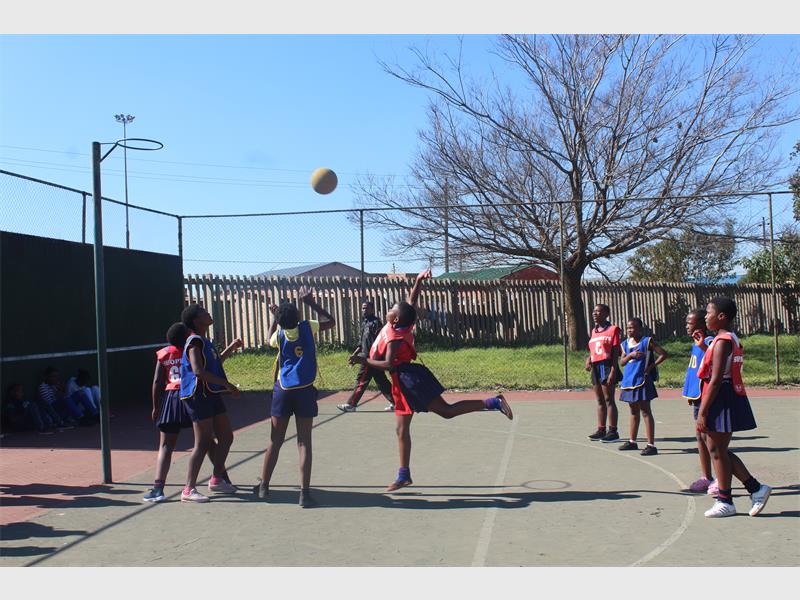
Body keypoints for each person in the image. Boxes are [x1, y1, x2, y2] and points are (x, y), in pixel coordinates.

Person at [351, 268, 512, 492]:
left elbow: (388, 364)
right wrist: (417, 280)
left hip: (409, 380)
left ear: (395, 317)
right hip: (401, 382)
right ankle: (404, 475)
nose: (388, 310)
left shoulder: (395, 336)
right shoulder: (398, 323)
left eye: (391, 309)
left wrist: (364, 361)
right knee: (401, 429)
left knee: (446, 411)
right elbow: (411, 301)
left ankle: (493, 402)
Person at [255, 286, 336, 508]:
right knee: (304, 442)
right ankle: (304, 493)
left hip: (283, 390)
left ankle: (264, 486)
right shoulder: (308, 327)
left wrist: (275, 319)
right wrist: (310, 301)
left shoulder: (279, 335)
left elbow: (268, 338)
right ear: (299, 316)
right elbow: (331, 320)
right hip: (304, 389)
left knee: (275, 440)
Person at [696, 297, 771, 518]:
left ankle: (728, 500)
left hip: (721, 396)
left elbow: (717, 378)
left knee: (718, 450)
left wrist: (702, 410)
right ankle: (752, 489)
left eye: (708, 313)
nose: (705, 317)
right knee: (718, 450)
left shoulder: (722, 342)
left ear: (721, 317)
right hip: (725, 395)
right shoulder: (724, 339)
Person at [179, 304, 243, 503]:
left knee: (226, 436)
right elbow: (198, 371)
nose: (208, 313)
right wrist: (227, 384)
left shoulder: (205, 341)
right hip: (198, 395)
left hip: (211, 393)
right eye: (204, 312)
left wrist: (230, 349)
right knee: (203, 442)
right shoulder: (194, 341)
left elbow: (214, 365)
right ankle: (188, 489)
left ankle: (216, 478)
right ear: (197, 320)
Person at [142, 322, 194, 503]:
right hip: (189, 395)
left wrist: (156, 407)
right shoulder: (192, 350)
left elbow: (157, 381)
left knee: (165, 445)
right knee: (205, 440)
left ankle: (158, 489)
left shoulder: (164, 354)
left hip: (170, 398)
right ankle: (220, 476)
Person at [618, 318, 668, 456]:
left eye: (632, 328)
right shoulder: (625, 344)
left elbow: (664, 354)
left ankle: (651, 445)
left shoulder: (647, 342)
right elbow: (622, 362)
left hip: (642, 381)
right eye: (628, 328)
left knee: (645, 411)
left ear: (640, 329)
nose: (630, 330)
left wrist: (651, 367)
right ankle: (632, 441)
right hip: (629, 381)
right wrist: (630, 356)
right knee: (633, 411)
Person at [337, 300, 395, 413]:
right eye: (363, 308)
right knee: (382, 382)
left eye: (366, 308)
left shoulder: (376, 323)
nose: (364, 310)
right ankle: (397, 402)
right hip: (365, 356)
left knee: (361, 380)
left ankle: (351, 404)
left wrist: (375, 357)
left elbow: (381, 341)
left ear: (372, 309)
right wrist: (354, 355)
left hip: (371, 358)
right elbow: (361, 343)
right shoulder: (364, 323)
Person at [682, 309, 717, 494]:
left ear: (701, 325)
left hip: (708, 399)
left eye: (690, 323)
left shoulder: (710, 342)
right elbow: (693, 370)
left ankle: (719, 479)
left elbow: (715, 361)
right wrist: (690, 392)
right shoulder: (696, 344)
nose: (687, 326)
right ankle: (706, 477)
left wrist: (703, 346)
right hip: (697, 398)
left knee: (710, 439)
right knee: (699, 437)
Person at [585, 304, 621, 442]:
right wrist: (589, 359)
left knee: (609, 399)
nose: (595, 313)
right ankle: (601, 429)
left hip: (607, 366)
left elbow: (615, 352)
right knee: (599, 400)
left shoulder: (613, 330)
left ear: (606, 313)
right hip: (596, 366)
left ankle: (613, 431)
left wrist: (613, 370)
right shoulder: (594, 331)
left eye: (598, 311)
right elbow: (594, 349)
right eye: (594, 311)